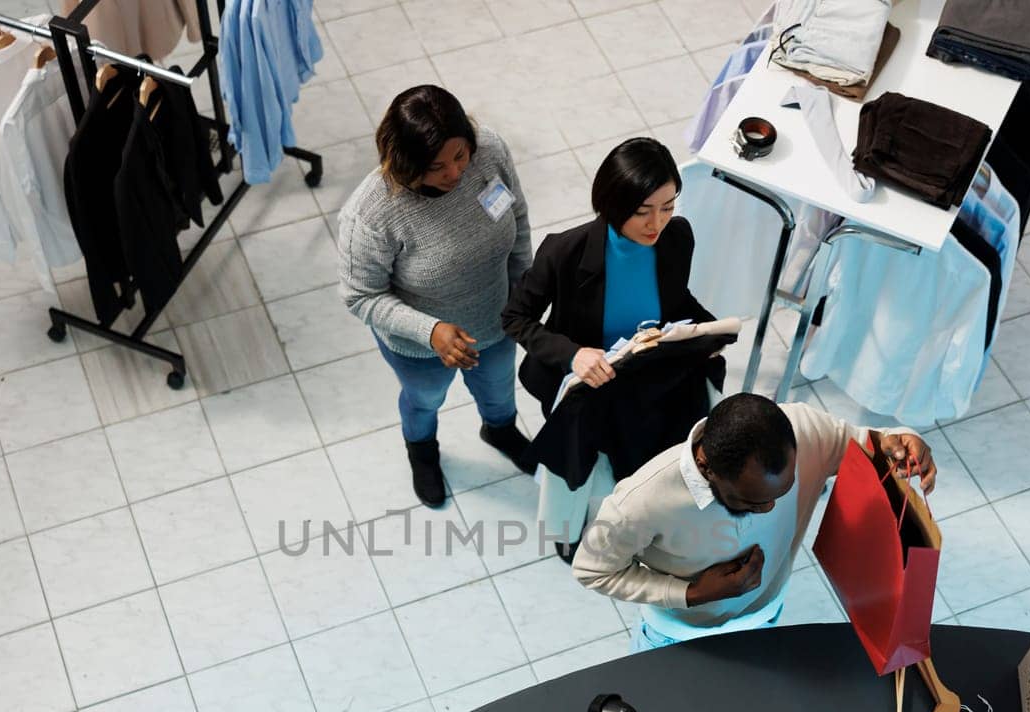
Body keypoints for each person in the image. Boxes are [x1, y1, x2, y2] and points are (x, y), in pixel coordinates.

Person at [572, 393, 935, 652]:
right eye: (750, 501)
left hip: (765, 614)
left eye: (783, 492)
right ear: (708, 468)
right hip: (677, 633)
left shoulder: (806, 429)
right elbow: (592, 571)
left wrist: (905, 440)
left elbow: (870, 444)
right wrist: (692, 593)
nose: (769, 510)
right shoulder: (640, 501)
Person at [502, 137, 721, 562]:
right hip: (585, 378)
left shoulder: (677, 238)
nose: (656, 223)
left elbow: (676, 301)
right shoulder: (565, 250)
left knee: (660, 447)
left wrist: (706, 332)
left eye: (668, 206)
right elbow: (515, 318)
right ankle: (567, 531)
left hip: (643, 369)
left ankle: (644, 522)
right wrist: (573, 354)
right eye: (643, 211)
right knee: (576, 464)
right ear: (611, 203)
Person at [338, 85, 535, 508]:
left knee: (500, 391)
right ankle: (422, 450)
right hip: (419, 347)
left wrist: (525, 289)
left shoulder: (489, 151)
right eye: (436, 166)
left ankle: (499, 429)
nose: (454, 173)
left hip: (497, 319)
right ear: (404, 161)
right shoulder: (371, 214)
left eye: (460, 156)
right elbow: (360, 296)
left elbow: (515, 213)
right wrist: (432, 333)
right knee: (424, 400)